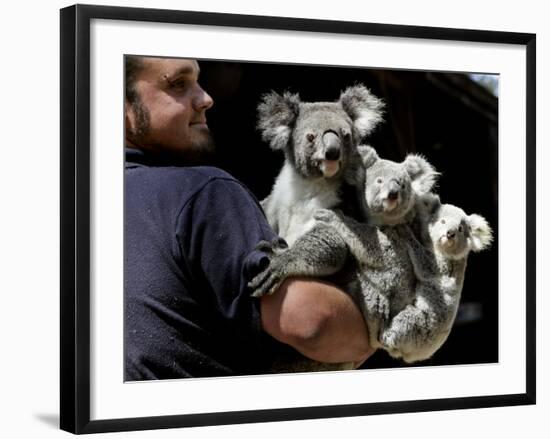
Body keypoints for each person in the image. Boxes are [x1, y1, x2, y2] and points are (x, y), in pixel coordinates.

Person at [124, 55, 375, 380]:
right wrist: (379, 320)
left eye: (198, 81)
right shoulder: (203, 192)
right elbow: (312, 323)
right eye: (178, 84)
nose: (205, 98)